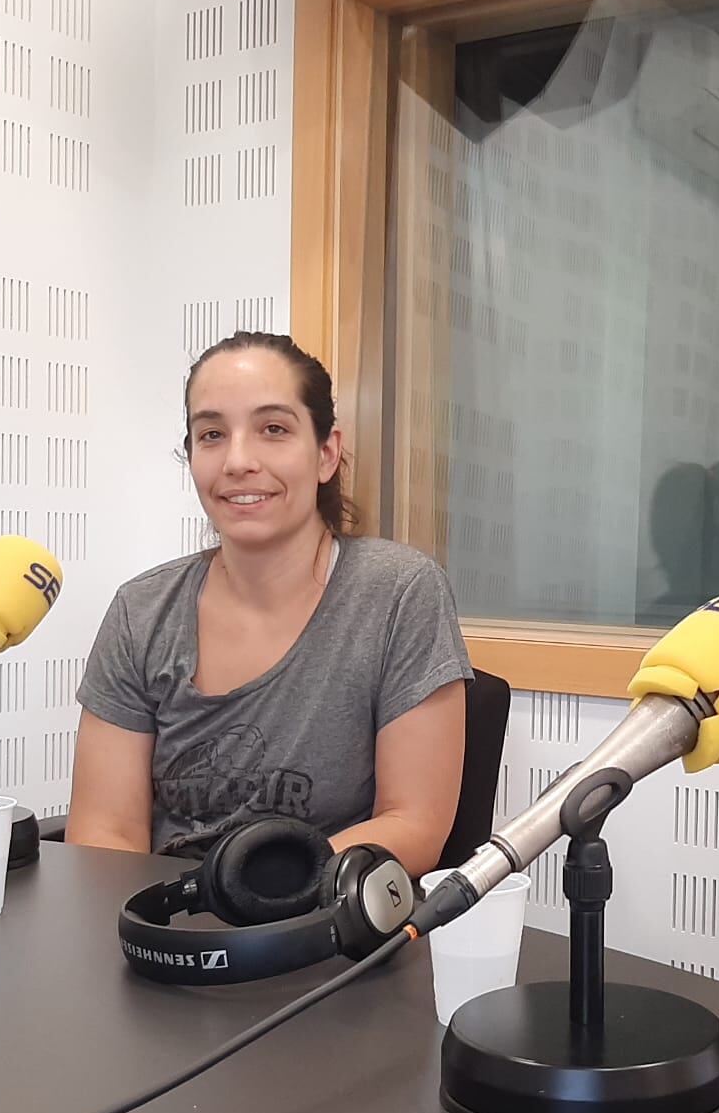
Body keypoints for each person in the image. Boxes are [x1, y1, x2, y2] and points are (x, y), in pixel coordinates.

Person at [67, 331, 471, 877]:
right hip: (167, 927)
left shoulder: (399, 593)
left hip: (320, 923)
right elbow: (104, 833)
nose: (237, 461)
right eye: (211, 434)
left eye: (273, 429)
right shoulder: (141, 612)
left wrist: (247, 893)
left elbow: (413, 825)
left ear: (326, 453)